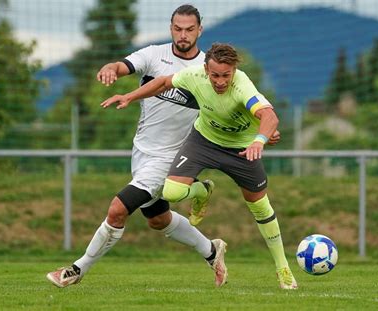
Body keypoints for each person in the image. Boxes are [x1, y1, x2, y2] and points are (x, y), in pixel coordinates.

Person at [46, 4, 229, 288]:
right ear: (171, 29)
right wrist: (110, 68)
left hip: (172, 158)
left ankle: (76, 270)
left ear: (200, 30)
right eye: (178, 29)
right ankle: (211, 251)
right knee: (158, 219)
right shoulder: (154, 54)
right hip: (142, 151)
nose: (183, 35)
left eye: (189, 29)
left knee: (118, 209)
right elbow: (123, 66)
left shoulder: (206, 69)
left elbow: (235, 100)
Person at [100, 43, 298, 290]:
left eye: (226, 75)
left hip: (241, 148)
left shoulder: (243, 86)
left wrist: (260, 140)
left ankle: (283, 269)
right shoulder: (194, 75)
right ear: (206, 69)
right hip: (203, 141)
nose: (221, 81)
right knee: (171, 192)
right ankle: (202, 191)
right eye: (215, 75)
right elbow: (162, 83)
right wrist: (129, 96)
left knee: (259, 205)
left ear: (234, 71)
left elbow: (270, 117)